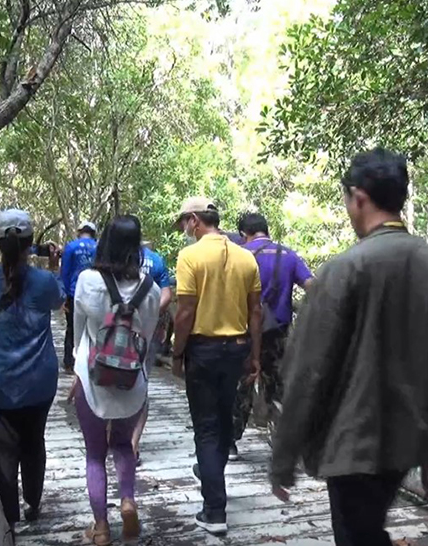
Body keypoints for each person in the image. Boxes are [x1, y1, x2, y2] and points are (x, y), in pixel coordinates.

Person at [270, 149, 428, 546]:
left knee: (357, 535)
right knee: (365, 530)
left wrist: (284, 456)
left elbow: (308, 370)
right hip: (407, 442)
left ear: (358, 197)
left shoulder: (342, 269)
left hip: (351, 443)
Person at [172, 197, 262, 536]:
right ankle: (212, 475)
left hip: (203, 350)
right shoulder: (245, 257)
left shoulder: (190, 256)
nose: (184, 228)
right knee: (223, 422)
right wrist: (255, 355)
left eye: (184, 222)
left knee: (207, 428)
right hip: (236, 349)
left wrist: (177, 353)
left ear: (195, 220)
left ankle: (214, 510)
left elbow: (185, 312)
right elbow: (256, 311)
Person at [0, 209, 64, 530]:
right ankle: (33, 503)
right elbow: (58, 300)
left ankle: (8, 520)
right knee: (34, 442)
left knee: (4, 450)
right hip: (38, 381)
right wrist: (53, 266)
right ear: (30, 242)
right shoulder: (45, 282)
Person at [72, 215, 161, 545]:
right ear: (136, 246)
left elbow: (78, 330)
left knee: (95, 454)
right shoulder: (151, 290)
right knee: (123, 445)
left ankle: (101, 528)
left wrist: (76, 365)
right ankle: (128, 501)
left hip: (92, 377)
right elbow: (146, 337)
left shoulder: (87, 281)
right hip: (131, 380)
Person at [231, 212, 313, 460]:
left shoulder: (240, 255)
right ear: (266, 230)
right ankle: (282, 441)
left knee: (240, 385)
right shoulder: (288, 254)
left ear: (243, 234)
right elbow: (312, 286)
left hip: (244, 331)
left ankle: (230, 442)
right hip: (278, 332)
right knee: (278, 386)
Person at [131, 236, 173, 464]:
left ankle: (112, 437)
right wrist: (151, 315)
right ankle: (133, 444)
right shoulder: (156, 260)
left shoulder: (111, 258)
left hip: (113, 330)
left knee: (111, 379)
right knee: (142, 381)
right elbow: (167, 294)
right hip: (147, 331)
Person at [60, 221, 97, 372]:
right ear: (93, 233)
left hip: (74, 293)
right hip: (95, 293)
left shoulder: (71, 247)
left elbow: (65, 272)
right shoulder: (99, 247)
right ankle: (90, 362)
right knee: (93, 328)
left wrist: (63, 295)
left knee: (72, 327)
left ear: (79, 232)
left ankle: (70, 362)